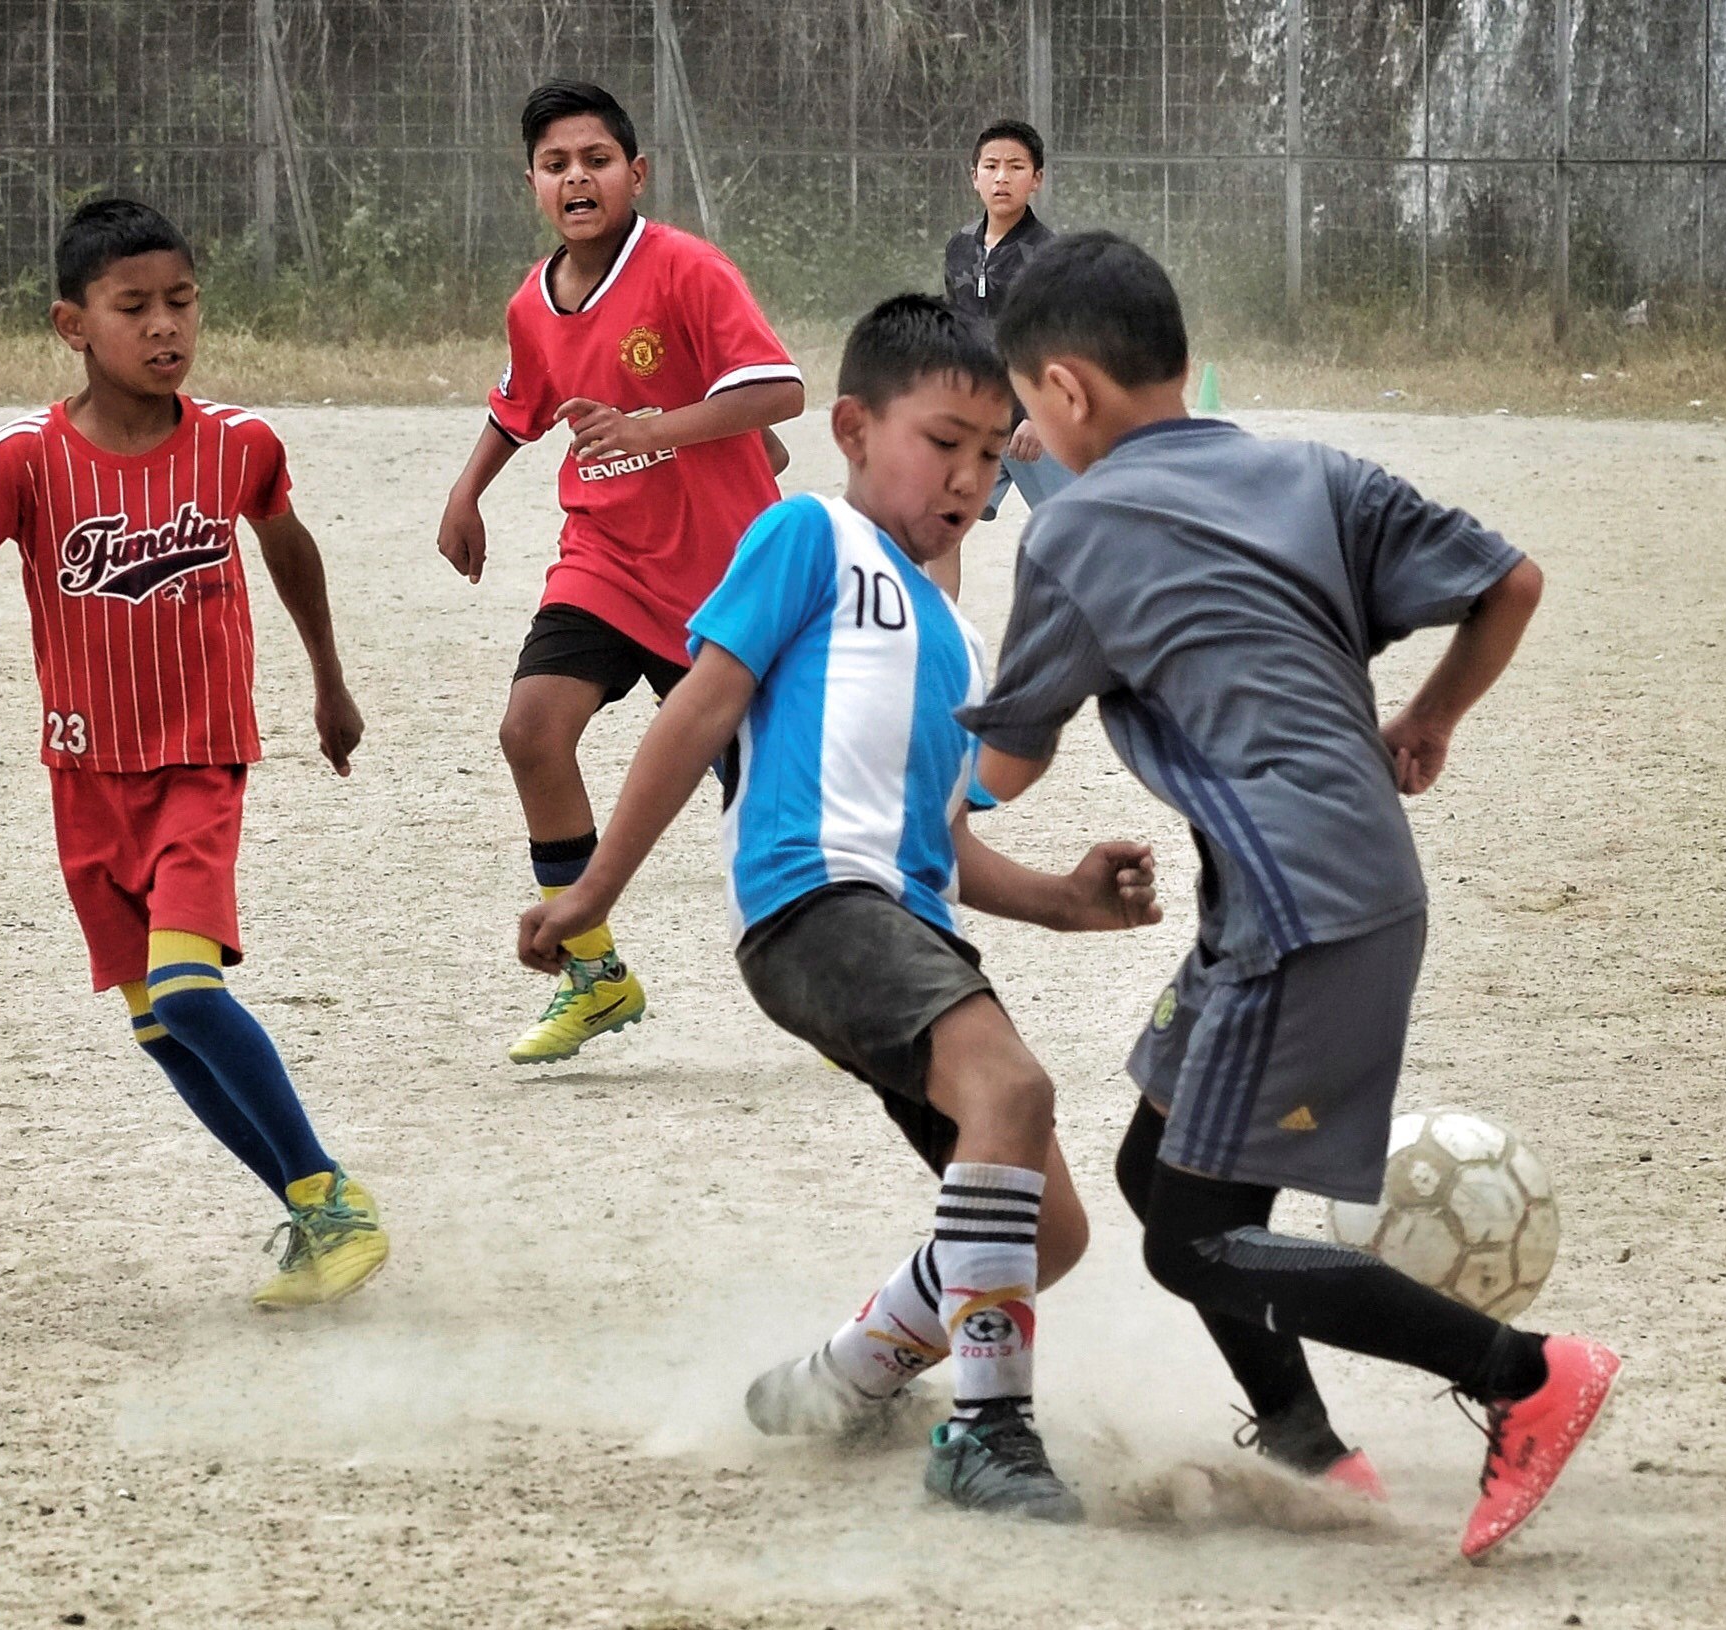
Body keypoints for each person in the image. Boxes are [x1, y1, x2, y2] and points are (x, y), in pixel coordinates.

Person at [963, 231, 1621, 1562]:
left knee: (1192, 1243)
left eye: (1022, 411)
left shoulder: (1077, 529)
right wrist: (1427, 717)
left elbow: (1004, 766)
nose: (1021, 441)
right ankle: (1315, 1445)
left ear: (1068, 392)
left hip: (1298, 905)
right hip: (1312, 888)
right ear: (1186, 367)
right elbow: (1512, 581)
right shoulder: (1312, 473)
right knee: (1161, 1168)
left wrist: (879, 775)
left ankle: (1527, 1374)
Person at [517, 294, 1162, 1521]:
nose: (970, 474)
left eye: (993, 450)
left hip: (902, 920)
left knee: (1050, 1233)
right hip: (810, 905)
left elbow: (942, 843)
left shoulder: (957, 646)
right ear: (855, 428)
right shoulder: (806, 536)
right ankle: (986, 1432)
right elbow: (697, 711)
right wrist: (591, 891)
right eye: (945, 440)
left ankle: (841, 1377)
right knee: (1012, 1091)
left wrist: (1068, 904)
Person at [0, 198, 388, 1311]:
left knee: (189, 992)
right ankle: (315, 1211)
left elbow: (289, 546)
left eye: (182, 302)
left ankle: (326, 1191)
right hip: (83, 776)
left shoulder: (237, 445)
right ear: (73, 324)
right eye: (134, 307)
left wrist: (329, 681)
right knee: (160, 1029)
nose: (166, 327)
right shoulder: (21, 462)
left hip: (200, 761)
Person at [435, 79, 806, 1065]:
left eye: (596, 159)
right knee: (530, 729)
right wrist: (465, 492)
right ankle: (595, 979)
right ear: (533, 185)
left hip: (723, 576)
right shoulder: (532, 299)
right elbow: (520, 403)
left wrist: (655, 426)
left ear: (634, 174)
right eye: (556, 165)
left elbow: (781, 388)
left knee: (764, 803)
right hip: (601, 559)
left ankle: (839, 978)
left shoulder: (687, 270)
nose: (577, 178)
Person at [935, 118, 1071, 594]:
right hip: (977, 419)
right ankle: (943, 643)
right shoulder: (958, 248)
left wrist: (1038, 414)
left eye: (1016, 167)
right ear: (973, 175)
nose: (1001, 177)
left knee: (1074, 540)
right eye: (991, 166)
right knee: (940, 525)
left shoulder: (1050, 254)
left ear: (1036, 179)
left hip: (1037, 425)